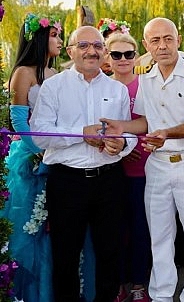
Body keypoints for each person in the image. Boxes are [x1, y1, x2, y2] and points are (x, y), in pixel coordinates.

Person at [105, 17, 184, 302]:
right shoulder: (146, 76)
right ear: (146, 45)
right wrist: (122, 126)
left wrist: (166, 133)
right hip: (158, 167)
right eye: (155, 40)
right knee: (160, 237)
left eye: (168, 38)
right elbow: (145, 122)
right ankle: (162, 294)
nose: (162, 45)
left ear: (178, 40)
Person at [30, 25, 136, 301]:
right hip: (67, 181)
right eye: (84, 45)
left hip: (109, 179)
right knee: (65, 253)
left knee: (110, 252)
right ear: (70, 51)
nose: (92, 51)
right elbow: (39, 134)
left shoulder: (117, 89)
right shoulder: (53, 87)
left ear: (104, 51)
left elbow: (127, 132)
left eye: (97, 46)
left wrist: (121, 144)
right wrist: (79, 133)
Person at [0, 13, 61, 302]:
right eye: (54, 36)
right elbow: (19, 121)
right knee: (29, 225)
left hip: (57, 154)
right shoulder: (24, 72)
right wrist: (40, 151)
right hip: (31, 157)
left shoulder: (56, 75)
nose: (59, 42)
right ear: (39, 38)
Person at [107, 33, 152, 302]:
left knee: (140, 229)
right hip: (111, 170)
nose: (123, 60)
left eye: (128, 54)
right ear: (107, 57)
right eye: (116, 54)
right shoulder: (102, 88)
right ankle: (117, 284)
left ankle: (138, 283)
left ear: (136, 56)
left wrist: (131, 143)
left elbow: (152, 122)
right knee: (114, 230)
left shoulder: (146, 86)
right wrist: (122, 151)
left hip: (144, 171)